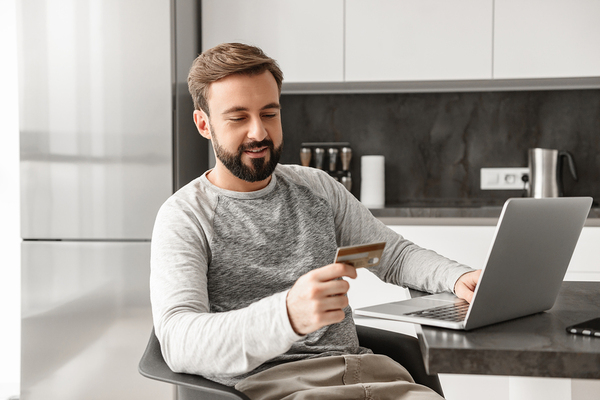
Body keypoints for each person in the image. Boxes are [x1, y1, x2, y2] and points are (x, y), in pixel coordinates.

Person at [150, 42, 481, 400]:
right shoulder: (186, 216)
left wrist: (458, 277)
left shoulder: (317, 189)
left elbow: (390, 257)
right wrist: (287, 316)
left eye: (269, 113)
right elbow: (178, 339)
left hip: (372, 377)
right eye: (238, 117)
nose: (259, 133)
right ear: (204, 124)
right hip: (279, 389)